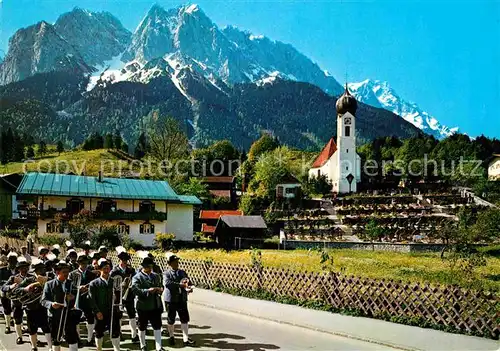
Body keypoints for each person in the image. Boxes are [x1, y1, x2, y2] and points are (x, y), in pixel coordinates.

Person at [41, 260, 79, 351]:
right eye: (64, 272)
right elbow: (43, 300)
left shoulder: (71, 283)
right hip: (55, 316)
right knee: (56, 339)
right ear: (58, 272)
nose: (66, 274)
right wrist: (51, 304)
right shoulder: (49, 284)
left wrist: (73, 297)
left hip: (69, 315)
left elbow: (76, 295)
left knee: (72, 338)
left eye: (67, 272)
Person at [14, 259, 51, 351]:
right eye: (40, 269)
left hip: (43, 307)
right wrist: (26, 289)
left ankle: (51, 347)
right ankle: (34, 347)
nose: (42, 271)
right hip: (30, 307)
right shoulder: (28, 280)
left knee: (46, 327)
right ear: (35, 270)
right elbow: (16, 291)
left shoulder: (49, 279)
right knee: (32, 329)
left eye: (43, 269)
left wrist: (46, 280)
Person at [131, 254, 164, 351]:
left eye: (151, 266)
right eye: (148, 266)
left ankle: (159, 347)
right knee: (142, 326)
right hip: (143, 305)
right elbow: (135, 290)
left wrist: (159, 290)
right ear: (144, 267)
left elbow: (161, 286)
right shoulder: (137, 277)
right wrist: (147, 291)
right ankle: (143, 345)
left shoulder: (156, 276)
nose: (150, 268)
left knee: (157, 326)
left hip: (155, 304)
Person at [88, 259, 121, 351]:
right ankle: (99, 349)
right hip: (100, 311)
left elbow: (120, 295)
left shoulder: (114, 282)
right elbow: (91, 299)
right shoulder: (93, 283)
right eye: (104, 268)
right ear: (100, 270)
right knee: (99, 332)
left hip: (112, 311)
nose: (106, 270)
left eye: (108, 268)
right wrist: (97, 311)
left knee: (115, 331)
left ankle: (117, 349)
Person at [163, 254, 195, 347]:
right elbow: (168, 284)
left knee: (184, 319)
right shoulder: (166, 273)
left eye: (177, 262)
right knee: (171, 319)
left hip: (181, 299)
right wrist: (181, 285)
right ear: (169, 263)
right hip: (171, 299)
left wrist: (189, 287)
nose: (176, 263)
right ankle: (171, 336)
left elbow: (188, 281)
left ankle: (185, 339)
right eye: (174, 262)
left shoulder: (182, 272)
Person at [110, 246, 138, 343]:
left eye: (126, 260)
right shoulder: (114, 270)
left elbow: (135, 281)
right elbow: (111, 283)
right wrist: (120, 285)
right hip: (118, 296)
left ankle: (134, 335)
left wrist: (131, 285)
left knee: (132, 314)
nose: (125, 261)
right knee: (119, 315)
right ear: (120, 260)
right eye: (123, 259)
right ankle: (119, 332)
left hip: (129, 295)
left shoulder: (131, 270)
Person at [69, 253, 97, 347]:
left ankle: (89, 339)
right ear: (78, 263)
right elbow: (69, 286)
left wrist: (88, 288)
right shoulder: (72, 274)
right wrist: (78, 288)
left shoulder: (92, 274)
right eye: (82, 263)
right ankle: (78, 339)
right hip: (77, 299)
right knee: (75, 320)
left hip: (88, 299)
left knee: (90, 318)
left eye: (85, 263)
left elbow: (95, 286)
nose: (84, 265)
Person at [2, 257, 30, 344]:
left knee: (30, 321)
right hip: (17, 302)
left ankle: (33, 339)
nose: (24, 269)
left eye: (25, 267)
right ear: (19, 269)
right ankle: (19, 337)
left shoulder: (32, 277)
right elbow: (3, 287)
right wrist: (10, 286)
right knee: (17, 320)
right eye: (22, 268)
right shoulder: (13, 277)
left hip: (29, 302)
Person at [0, 251, 18, 334]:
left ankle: (17, 325)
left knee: (17, 309)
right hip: (5, 292)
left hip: (16, 293)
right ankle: (7, 326)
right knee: (7, 309)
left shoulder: (19, 271)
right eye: (11, 261)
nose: (12, 263)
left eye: (14, 261)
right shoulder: (2, 270)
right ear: (8, 261)